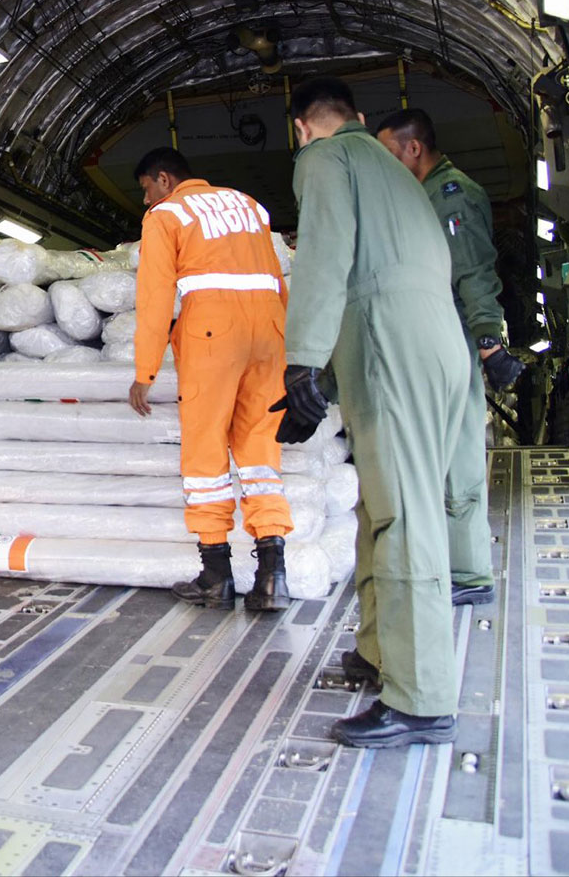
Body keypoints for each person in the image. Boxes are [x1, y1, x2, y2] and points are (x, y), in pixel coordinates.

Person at [278, 79, 467, 749]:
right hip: (432, 345)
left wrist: (300, 359)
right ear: (359, 118)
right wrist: (331, 375)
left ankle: (420, 698)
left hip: (392, 349)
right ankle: (379, 650)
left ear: (302, 128)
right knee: (379, 510)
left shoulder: (325, 160)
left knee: (406, 518)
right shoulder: (394, 170)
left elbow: (325, 257)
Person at [126, 148, 293, 611]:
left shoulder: (168, 213)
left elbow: (155, 295)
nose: (146, 200)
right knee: (261, 451)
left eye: (145, 189)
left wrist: (145, 370)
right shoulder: (248, 205)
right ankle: (272, 576)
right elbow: (278, 279)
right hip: (271, 332)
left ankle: (216, 574)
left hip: (213, 334)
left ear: (163, 179)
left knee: (205, 451)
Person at [376, 108, 523, 606]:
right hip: (435, 336)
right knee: (438, 456)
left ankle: (470, 573)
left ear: (413, 148)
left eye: (390, 152)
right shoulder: (424, 197)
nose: (386, 163)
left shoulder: (449, 195)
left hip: (456, 336)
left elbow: (473, 271)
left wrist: (488, 340)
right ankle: (451, 564)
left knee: (459, 457)